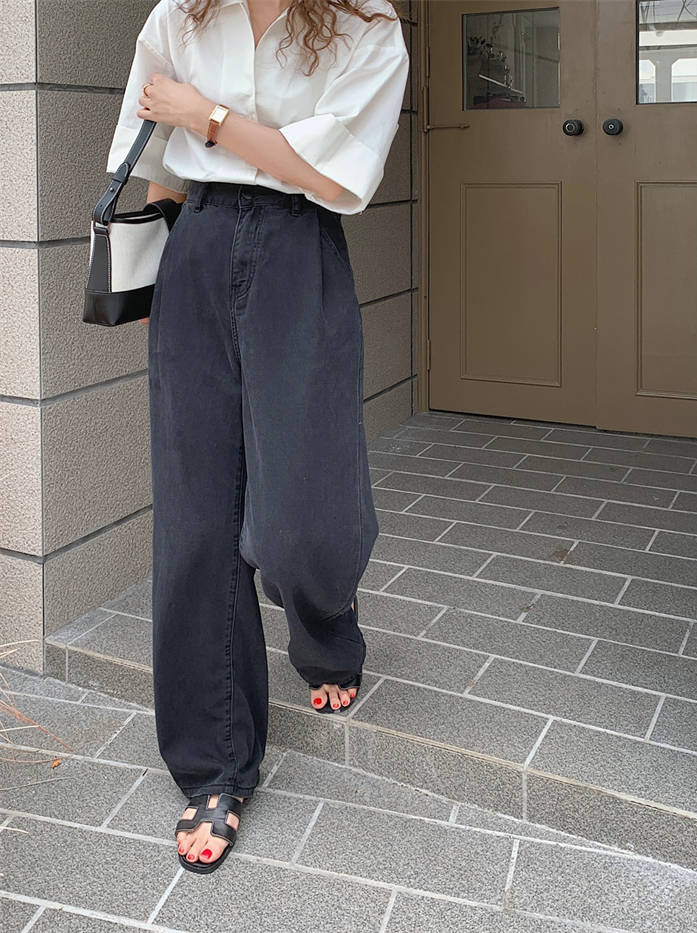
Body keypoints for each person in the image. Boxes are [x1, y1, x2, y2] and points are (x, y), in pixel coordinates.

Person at [105, 0, 409, 874]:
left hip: (298, 248)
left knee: (303, 518)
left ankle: (325, 624)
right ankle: (214, 763)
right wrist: (157, 268)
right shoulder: (180, 13)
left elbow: (331, 176)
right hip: (196, 247)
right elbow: (156, 156)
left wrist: (205, 115)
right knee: (197, 515)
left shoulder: (366, 24)